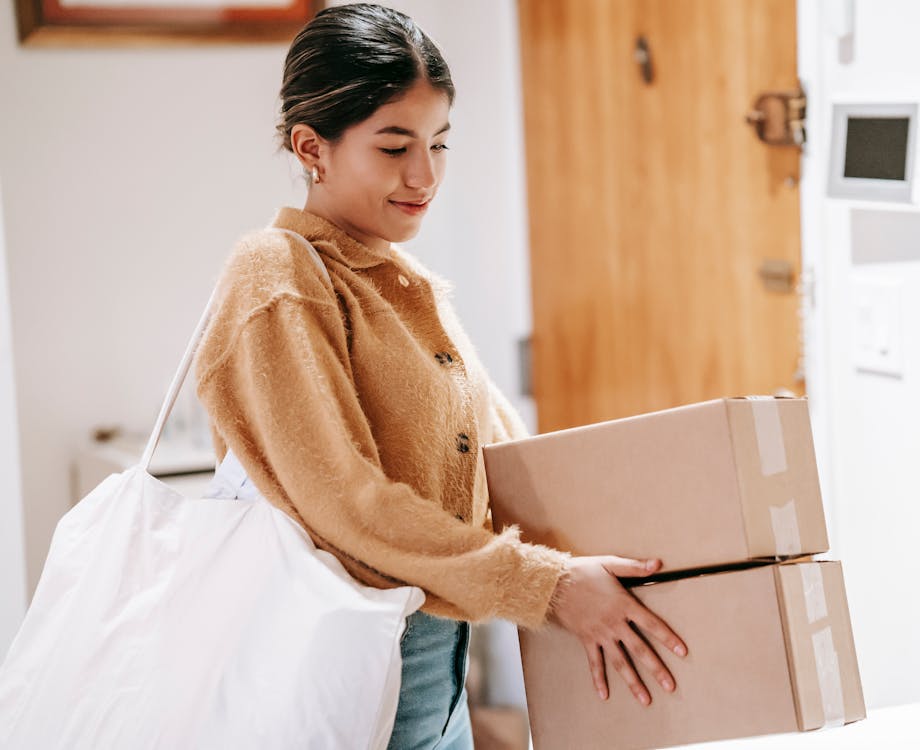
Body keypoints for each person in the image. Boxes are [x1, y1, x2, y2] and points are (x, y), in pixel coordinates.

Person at [193, 4, 688, 749]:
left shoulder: (404, 282)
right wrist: (548, 585)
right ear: (311, 147)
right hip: (345, 665)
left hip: (436, 662)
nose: (423, 174)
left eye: (439, 143)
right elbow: (346, 505)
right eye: (394, 146)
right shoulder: (276, 274)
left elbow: (504, 457)